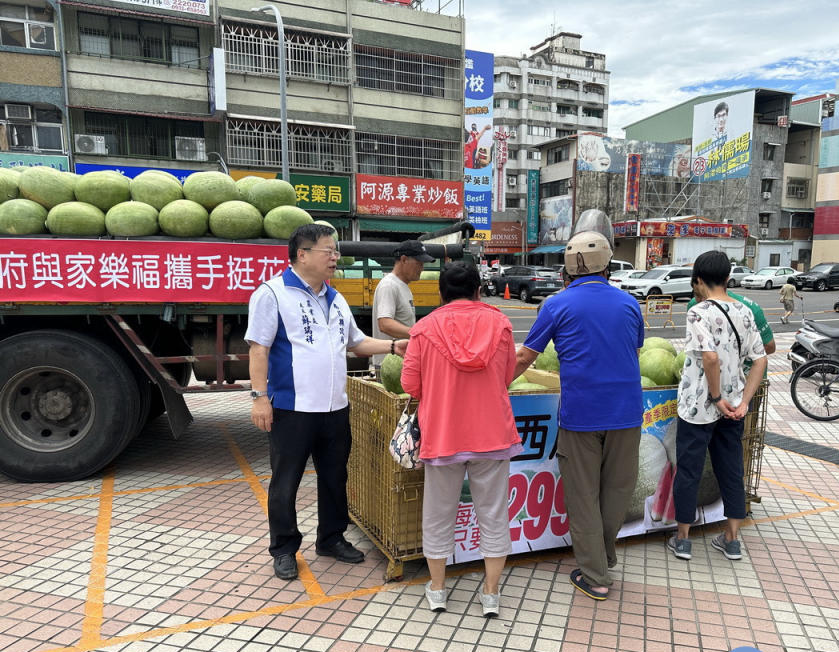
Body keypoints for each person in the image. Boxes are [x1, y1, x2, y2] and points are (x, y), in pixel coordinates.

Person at [246, 224, 407, 581]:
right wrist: (259, 399)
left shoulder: (335, 298)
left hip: (335, 407)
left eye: (335, 251)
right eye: (328, 251)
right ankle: (285, 548)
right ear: (302, 254)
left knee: (335, 476)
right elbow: (259, 348)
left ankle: (331, 538)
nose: (335, 257)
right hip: (291, 409)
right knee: (285, 481)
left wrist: (395, 346)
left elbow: (356, 342)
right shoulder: (272, 294)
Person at [514, 229, 645, 601]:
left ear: (567, 269)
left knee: (584, 496)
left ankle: (595, 575)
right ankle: (604, 556)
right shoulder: (629, 303)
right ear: (608, 264)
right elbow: (633, 353)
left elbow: (525, 357)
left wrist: (494, 386)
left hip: (582, 415)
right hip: (627, 413)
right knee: (618, 490)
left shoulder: (556, 304)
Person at [401, 262, 520, 617]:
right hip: (493, 434)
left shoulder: (423, 329)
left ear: (440, 293)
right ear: (478, 291)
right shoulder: (500, 323)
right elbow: (508, 374)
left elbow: (410, 385)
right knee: (494, 514)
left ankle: (437, 590)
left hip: (443, 434)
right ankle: (491, 593)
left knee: (438, 514)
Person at [669, 251, 767, 562]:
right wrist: (744, 400)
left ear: (698, 279)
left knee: (689, 469)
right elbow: (760, 359)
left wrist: (714, 397)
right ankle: (732, 539)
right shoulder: (745, 311)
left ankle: (683, 538)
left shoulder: (699, 312)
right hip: (735, 407)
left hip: (700, 407)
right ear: (727, 278)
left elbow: (709, 357)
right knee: (731, 470)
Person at [371, 239, 433, 368]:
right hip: (389, 365)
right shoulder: (389, 285)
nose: (422, 268)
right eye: (419, 263)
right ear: (404, 259)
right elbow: (385, 324)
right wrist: (418, 333)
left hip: (401, 362)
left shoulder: (403, 285)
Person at [686, 288, 776, 355]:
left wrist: (736, 358)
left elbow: (770, 346)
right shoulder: (693, 307)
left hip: (748, 372)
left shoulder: (749, 309)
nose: (702, 302)